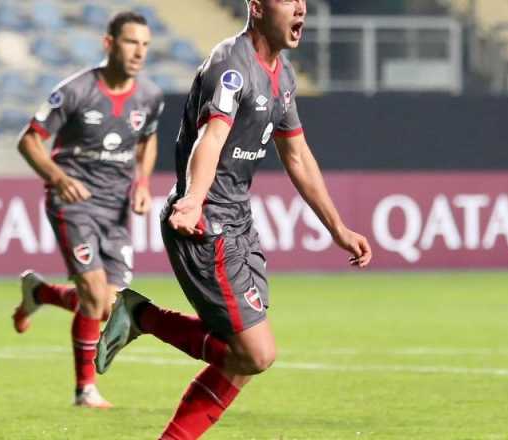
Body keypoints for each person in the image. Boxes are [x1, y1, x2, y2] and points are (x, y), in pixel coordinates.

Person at [95, 1, 373, 438]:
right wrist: (193, 199)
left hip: (239, 223)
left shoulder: (283, 77)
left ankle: (142, 331)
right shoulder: (232, 63)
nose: (301, 8)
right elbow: (213, 135)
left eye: (304, 1)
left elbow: (297, 155)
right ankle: (141, 317)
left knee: (241, 358)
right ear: (257, 8)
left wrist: (337, 227)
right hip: (206, 224)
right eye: (289, 0)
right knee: (255, 354)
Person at [12, 12, 164, 408]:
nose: (139, 52)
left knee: (108, 304)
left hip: (116, 209)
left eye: (145, 45)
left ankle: (41, 292)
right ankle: (85, 389)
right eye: (132, 42)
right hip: (73, 202)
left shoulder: (150, 96)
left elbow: (148, 140)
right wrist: (58, 177)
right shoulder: (76, 91)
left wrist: (144, 183)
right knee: (95, 297)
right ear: (109, 43)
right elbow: (29, 141)